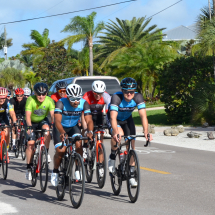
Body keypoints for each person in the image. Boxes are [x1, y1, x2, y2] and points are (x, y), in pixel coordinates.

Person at [107, 77, 150, 187]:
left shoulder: (138, 97)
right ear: (122, 90)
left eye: (131, 91)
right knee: (119, 134)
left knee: (132, 146)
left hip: (127, 120)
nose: (129, 94)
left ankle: (131, 174)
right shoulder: (116, 97)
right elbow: (112, 118)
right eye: (126, 91)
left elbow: (143, 116)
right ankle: (112, 157)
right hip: (114, 119)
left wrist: (146, 132)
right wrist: (115, 131)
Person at [51, 84, 94, 186]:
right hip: (60, 128)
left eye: (78, 99)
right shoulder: (61, 103)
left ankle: (78, 168)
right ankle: (55, 171)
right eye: (73, 99)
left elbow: (89, 120)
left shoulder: (84, 103)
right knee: (61, 151)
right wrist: (62, 132)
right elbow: (57, 121)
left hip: (73, 127)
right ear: (68, 97)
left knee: (79, 143)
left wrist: (90, 131)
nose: (76, 101)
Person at [25, 83, 55, 180]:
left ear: (46, 93)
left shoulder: (50, 100)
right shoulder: (30, 100)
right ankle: (29, 167)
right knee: (31, 144)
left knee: (47, 130)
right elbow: (28, 116)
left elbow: (52, 115)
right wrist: (29, 127)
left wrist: (54, 124)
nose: (41, 96)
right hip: (31, 122)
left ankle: (45, 151)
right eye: (39, 94)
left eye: (43, 94)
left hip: (42, 120)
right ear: (35, 93)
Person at [82, 80, 111, 177]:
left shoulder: (106, 97)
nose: (98, 95)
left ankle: (101, 165)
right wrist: (85, 127)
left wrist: (110, 124)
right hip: (88, 116)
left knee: (100, 141)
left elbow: (109, 112)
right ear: (92, 91)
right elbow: (83, 113)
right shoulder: (87, 96)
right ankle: (85, 148)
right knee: (85, 130)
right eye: (96, 93)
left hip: (99, 117)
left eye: (100, 93)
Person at [0, 87, 16, 156]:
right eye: (0, 97)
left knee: (7, 132)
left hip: (4, 118)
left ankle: (5, 149)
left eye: (3, 98)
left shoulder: (7, 102)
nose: (1, 99)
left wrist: (14, 122)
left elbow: (12, 113)